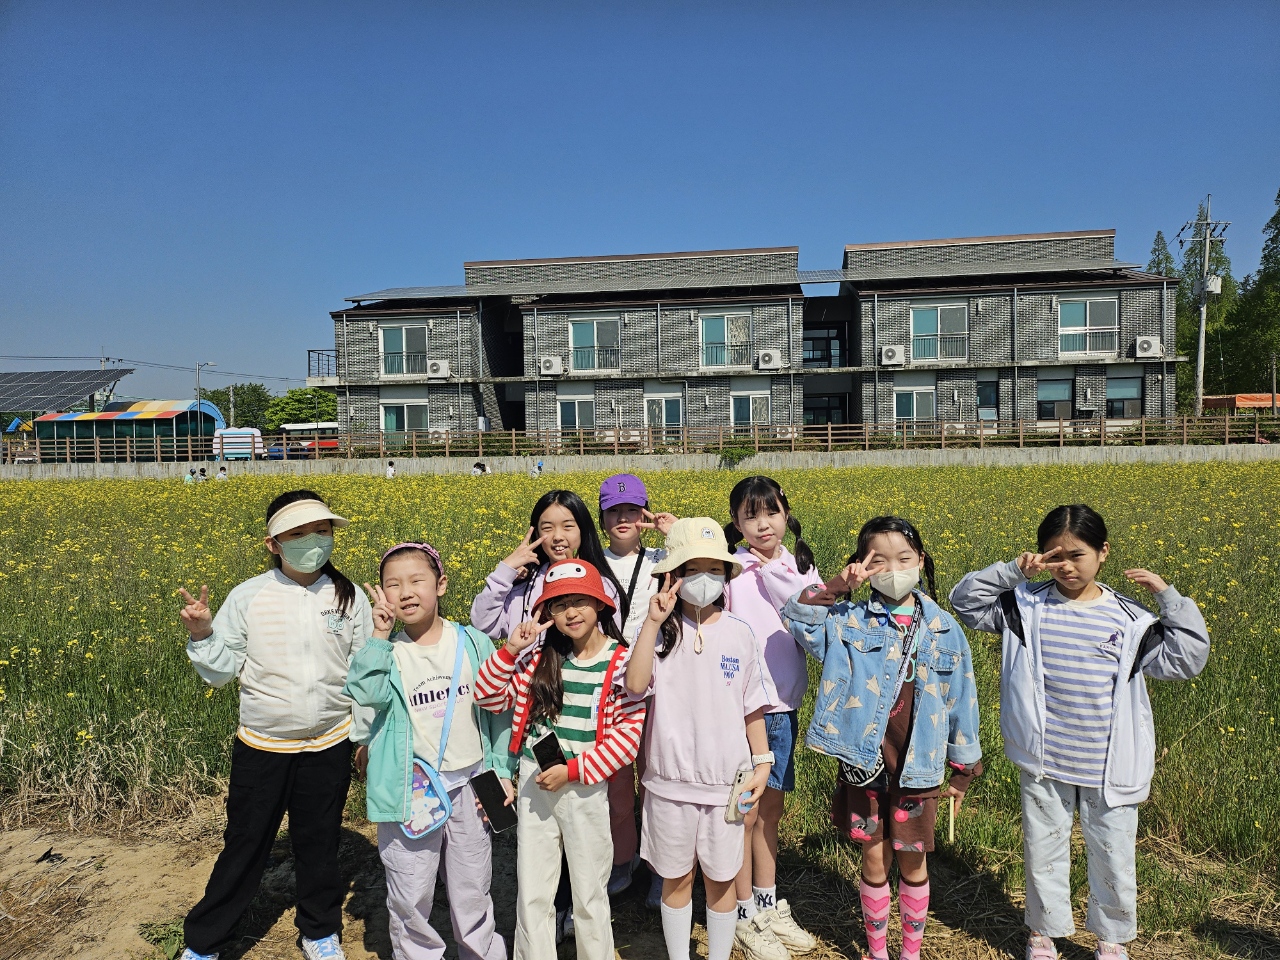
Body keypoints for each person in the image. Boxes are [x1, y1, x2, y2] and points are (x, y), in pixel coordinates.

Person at [950, 505, 1210, 960]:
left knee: (1113, 856)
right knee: (1043, 849)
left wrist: (1168, 598)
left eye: (1077, 555)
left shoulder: (1130, 619)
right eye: (1055, 556)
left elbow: (1188, 659)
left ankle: (1111, 939)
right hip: (1044, 759)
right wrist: (1013, 571)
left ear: (1103, 552)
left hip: (1109, 764)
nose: (1066, 566)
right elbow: (965, 602)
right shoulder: (1025, 605)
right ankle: (1043, 933)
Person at [176, 490, 372, 960]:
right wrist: (202, 634)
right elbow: (221, 671)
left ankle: (319, 932)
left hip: (329, 744)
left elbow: (364, 674)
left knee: (319, 843)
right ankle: (204, 943)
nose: (313, 541)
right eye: (298, 534)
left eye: (322, 531)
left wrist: (365, 737)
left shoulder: (350, 596)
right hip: (263, 747)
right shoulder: (249, 596)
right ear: (273, 544)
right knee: (245, 844)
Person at [784, 516, 982, 960]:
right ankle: (877, 952)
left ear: (921, 561)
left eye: (903, 559)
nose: (893, 569)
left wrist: (964, 768)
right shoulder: (848, 620)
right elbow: (797, 617)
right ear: (861, 565)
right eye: (879, 561)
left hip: (920, 764)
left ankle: (910, 952)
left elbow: (962, 698)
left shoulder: (944, 627)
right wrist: (839, 584)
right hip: (864, 761)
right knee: (873, 858)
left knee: (913, 859)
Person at [343, 542, 514, 960]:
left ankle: (481, 952)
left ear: (441, 585)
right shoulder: (387, 651)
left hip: (472, 785)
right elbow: (366, 693)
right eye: (393, 585)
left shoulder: (473, 642)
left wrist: (502, 770)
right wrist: (379, 635)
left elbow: (497, 713)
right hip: (411, 789)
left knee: (473, 887)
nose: (405, 593)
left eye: (416, 581)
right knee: (410, 889)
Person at [473, 559, 646, 960]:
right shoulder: (538, 658)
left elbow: (627, 740)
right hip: (535, 778)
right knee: (533, 889)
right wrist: (511, 648)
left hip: (584, 784)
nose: (571, 612)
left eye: (580, 601)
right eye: (559, 605)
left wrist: (573, 770)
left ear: (600, 604)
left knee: (589, 890)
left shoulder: (620, 662)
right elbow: (487, 696)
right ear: (547, 613)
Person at [625, 519, 774, 960]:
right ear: (672, 575)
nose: (704, 579)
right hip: (668, 784)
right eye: (692, 569)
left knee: (722, 880)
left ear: (726, 575)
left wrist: (762, 762)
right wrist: (652, 622)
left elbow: (752, 707)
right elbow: (635, 685)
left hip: (726, 784)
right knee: (676, 879)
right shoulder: (657, 632)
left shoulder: (740, 633)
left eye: (714, 569)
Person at [722, 476, 821, 958]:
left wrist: (776, 570)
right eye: (751, 515)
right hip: (742, 711)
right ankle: (743, 913)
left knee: (771, 813)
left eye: (772, 513)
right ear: (736, 523)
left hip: (783, 705)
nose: (763, 524)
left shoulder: (800, 566)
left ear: (786, 513)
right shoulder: (731, 567)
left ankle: (767, 903)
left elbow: (815, 612)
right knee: (743, 814)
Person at [597, 474, 677, 900]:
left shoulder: (664, 558)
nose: (624, 518)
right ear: (601, 518)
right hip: (607, 685)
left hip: (657, 682)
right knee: (615, 783)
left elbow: (708, 566)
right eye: (614, 511)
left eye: (633, 509)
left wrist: (675, 531)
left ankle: (659, 864)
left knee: (655, 775)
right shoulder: (592, 563)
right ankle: (622, 858)